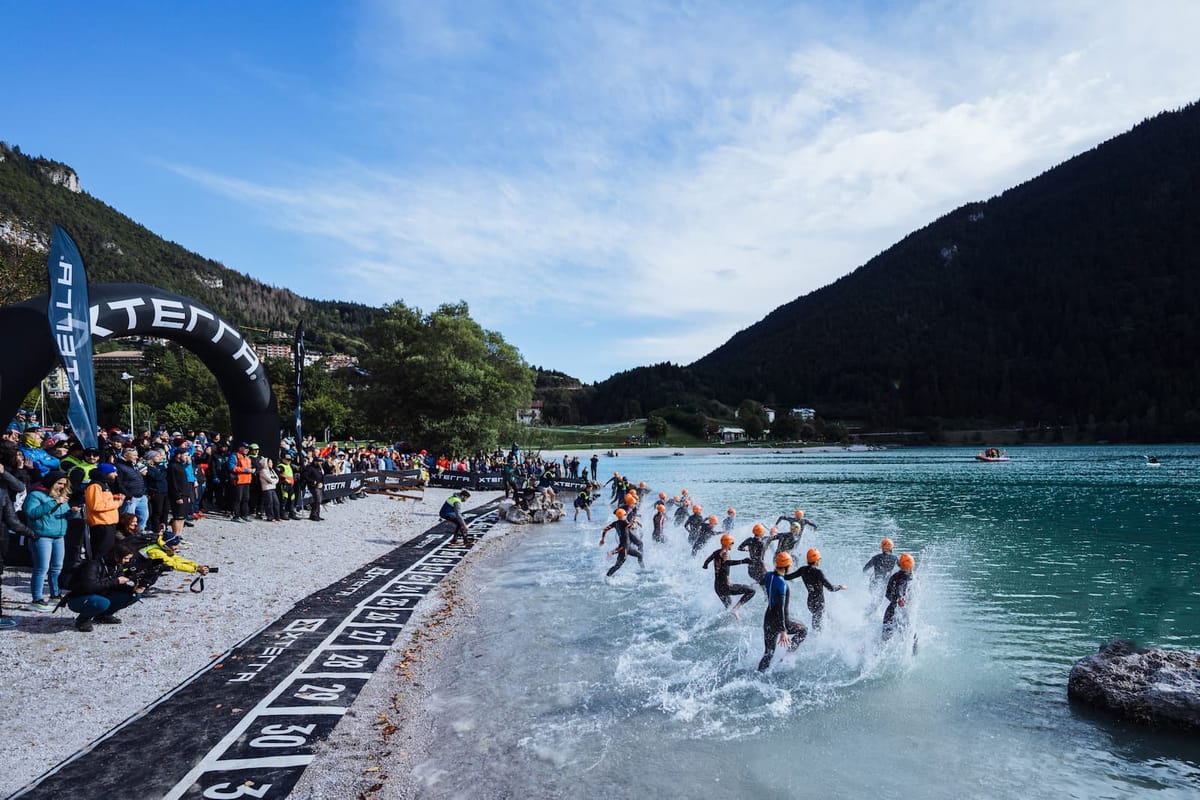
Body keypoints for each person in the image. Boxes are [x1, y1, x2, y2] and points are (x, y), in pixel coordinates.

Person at [64, 539, 144, 632]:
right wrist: (116, 581)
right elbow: (90, 587)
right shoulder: (93, 565)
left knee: (133, 596)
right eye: (126, 558)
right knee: (102, 602)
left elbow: (116, 586)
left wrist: (133, 589)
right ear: (116, 556)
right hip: (79, 598)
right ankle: (82, 620)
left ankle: (103, 616)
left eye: (129, 558)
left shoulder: (117, 566)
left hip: (100, 595)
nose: (128, 561)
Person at [20, 469, 68, 611]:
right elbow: (31, 513)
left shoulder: (61, 496)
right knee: (41, 568)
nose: (62, 487)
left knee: (57, 568)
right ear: (51, 482)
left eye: (64, 484)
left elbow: (62, 516)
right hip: (42, 536)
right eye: (59, 483)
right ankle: (37, 599)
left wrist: (73, 512)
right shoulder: (36, 495)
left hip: (59, 536)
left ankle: (55, 595)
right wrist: (53, 503)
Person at [758, 551, 807, 671]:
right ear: (787, 566)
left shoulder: (769, 575)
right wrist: (783, 630)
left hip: (768, 619)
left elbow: (761, 582)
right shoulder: (782, 584)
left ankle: (758, 673)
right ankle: (786, 656)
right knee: (803, 630)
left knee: (768, 653)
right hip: (779, 621)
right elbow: (781, 608)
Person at [785, 548, 847, 631]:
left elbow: (787, 577)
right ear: (816, 560)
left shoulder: (803, 570)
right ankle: (817, 638)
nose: (819, 561)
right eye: (819, 559)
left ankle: (821, 632)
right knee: (817, 626)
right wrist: (840, 586)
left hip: (810, 603)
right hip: (818, 603)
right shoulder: (818, 573)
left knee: (819, 618)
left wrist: (783, 568)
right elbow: (831, 588)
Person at [702, 533, 756, 618]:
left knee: (728, 607)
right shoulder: (725, 554)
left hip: (717, 587)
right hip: (726, 586)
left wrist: (705, 565)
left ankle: (730, 617)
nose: (733, 545)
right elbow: (727, 562)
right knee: (752, 591)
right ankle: (736, 609)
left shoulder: (716, 552)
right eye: (732, 543)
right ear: (728, 544)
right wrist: (743, 561)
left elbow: (708, 559)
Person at [85, 463, 125, 560]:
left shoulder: (104, 484)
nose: (116, 474)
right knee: (101, 553)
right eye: (113, 472)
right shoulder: (95, 485)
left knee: (108, 553)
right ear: (105, 473)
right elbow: (95, 505)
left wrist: (114, 497)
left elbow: (102, 501)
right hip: (101, 524)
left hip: (108, 523)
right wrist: (117, 504)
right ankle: (96, 572)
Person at [882, 553, 916, 643]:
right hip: (900, 612)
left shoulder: (894, 576)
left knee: (884, 640)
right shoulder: (905, 577)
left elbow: (887, 594)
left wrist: (894, 601)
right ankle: (914, 655)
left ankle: (868, 652)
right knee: (912, 636)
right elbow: (899, 587)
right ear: (909, 567)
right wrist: (900, 598)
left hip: (889, 611)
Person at [599, 507, 642, 577]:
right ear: (623, 516)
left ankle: (642, 570)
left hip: (625, 546)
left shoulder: (615, 523)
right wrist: (635, 521)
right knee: (617, 566)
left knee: (640, 555)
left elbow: (605, 529)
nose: (626, 516)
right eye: (625, 515)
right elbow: (632, 527)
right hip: (624, 547)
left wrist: (602, 539)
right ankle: (606, 577)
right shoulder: (624, 522)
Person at [167, 447, 194, 543]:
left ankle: (179, 535)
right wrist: (177, 496)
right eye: (185, 455)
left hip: (185, 494)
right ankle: (175, 536)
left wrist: (188, 496)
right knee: (177, 517)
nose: (187, 457)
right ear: (179, 455)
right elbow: (173, 483)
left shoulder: (181, 465)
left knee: (183, 517)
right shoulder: (172, 466)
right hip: (178, 495)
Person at [227, 442, 254, 522]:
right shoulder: (234, 456)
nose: (247, 450)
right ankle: (236, 516)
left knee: (246, 498)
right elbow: (231, 467)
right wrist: (246, 470)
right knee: (237, 499)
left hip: (247, 481)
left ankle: (244, 515)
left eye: (248, 448)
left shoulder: (248, 458)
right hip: (238, 480)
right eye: (245, 448)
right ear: (240, 448)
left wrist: (252, 470)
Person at [258, 457, 281, 522]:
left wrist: (273, 481)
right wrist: (273, 481)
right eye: (270, 462)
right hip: (267, 489)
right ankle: (270, 517)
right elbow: (270, 479)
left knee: (276, 502)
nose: (272, 463)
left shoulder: (272, 470)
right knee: (269, 503)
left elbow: (277, 478)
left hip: (273, 488)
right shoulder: (263, 471)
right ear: (266, 463)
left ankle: (277, 517)